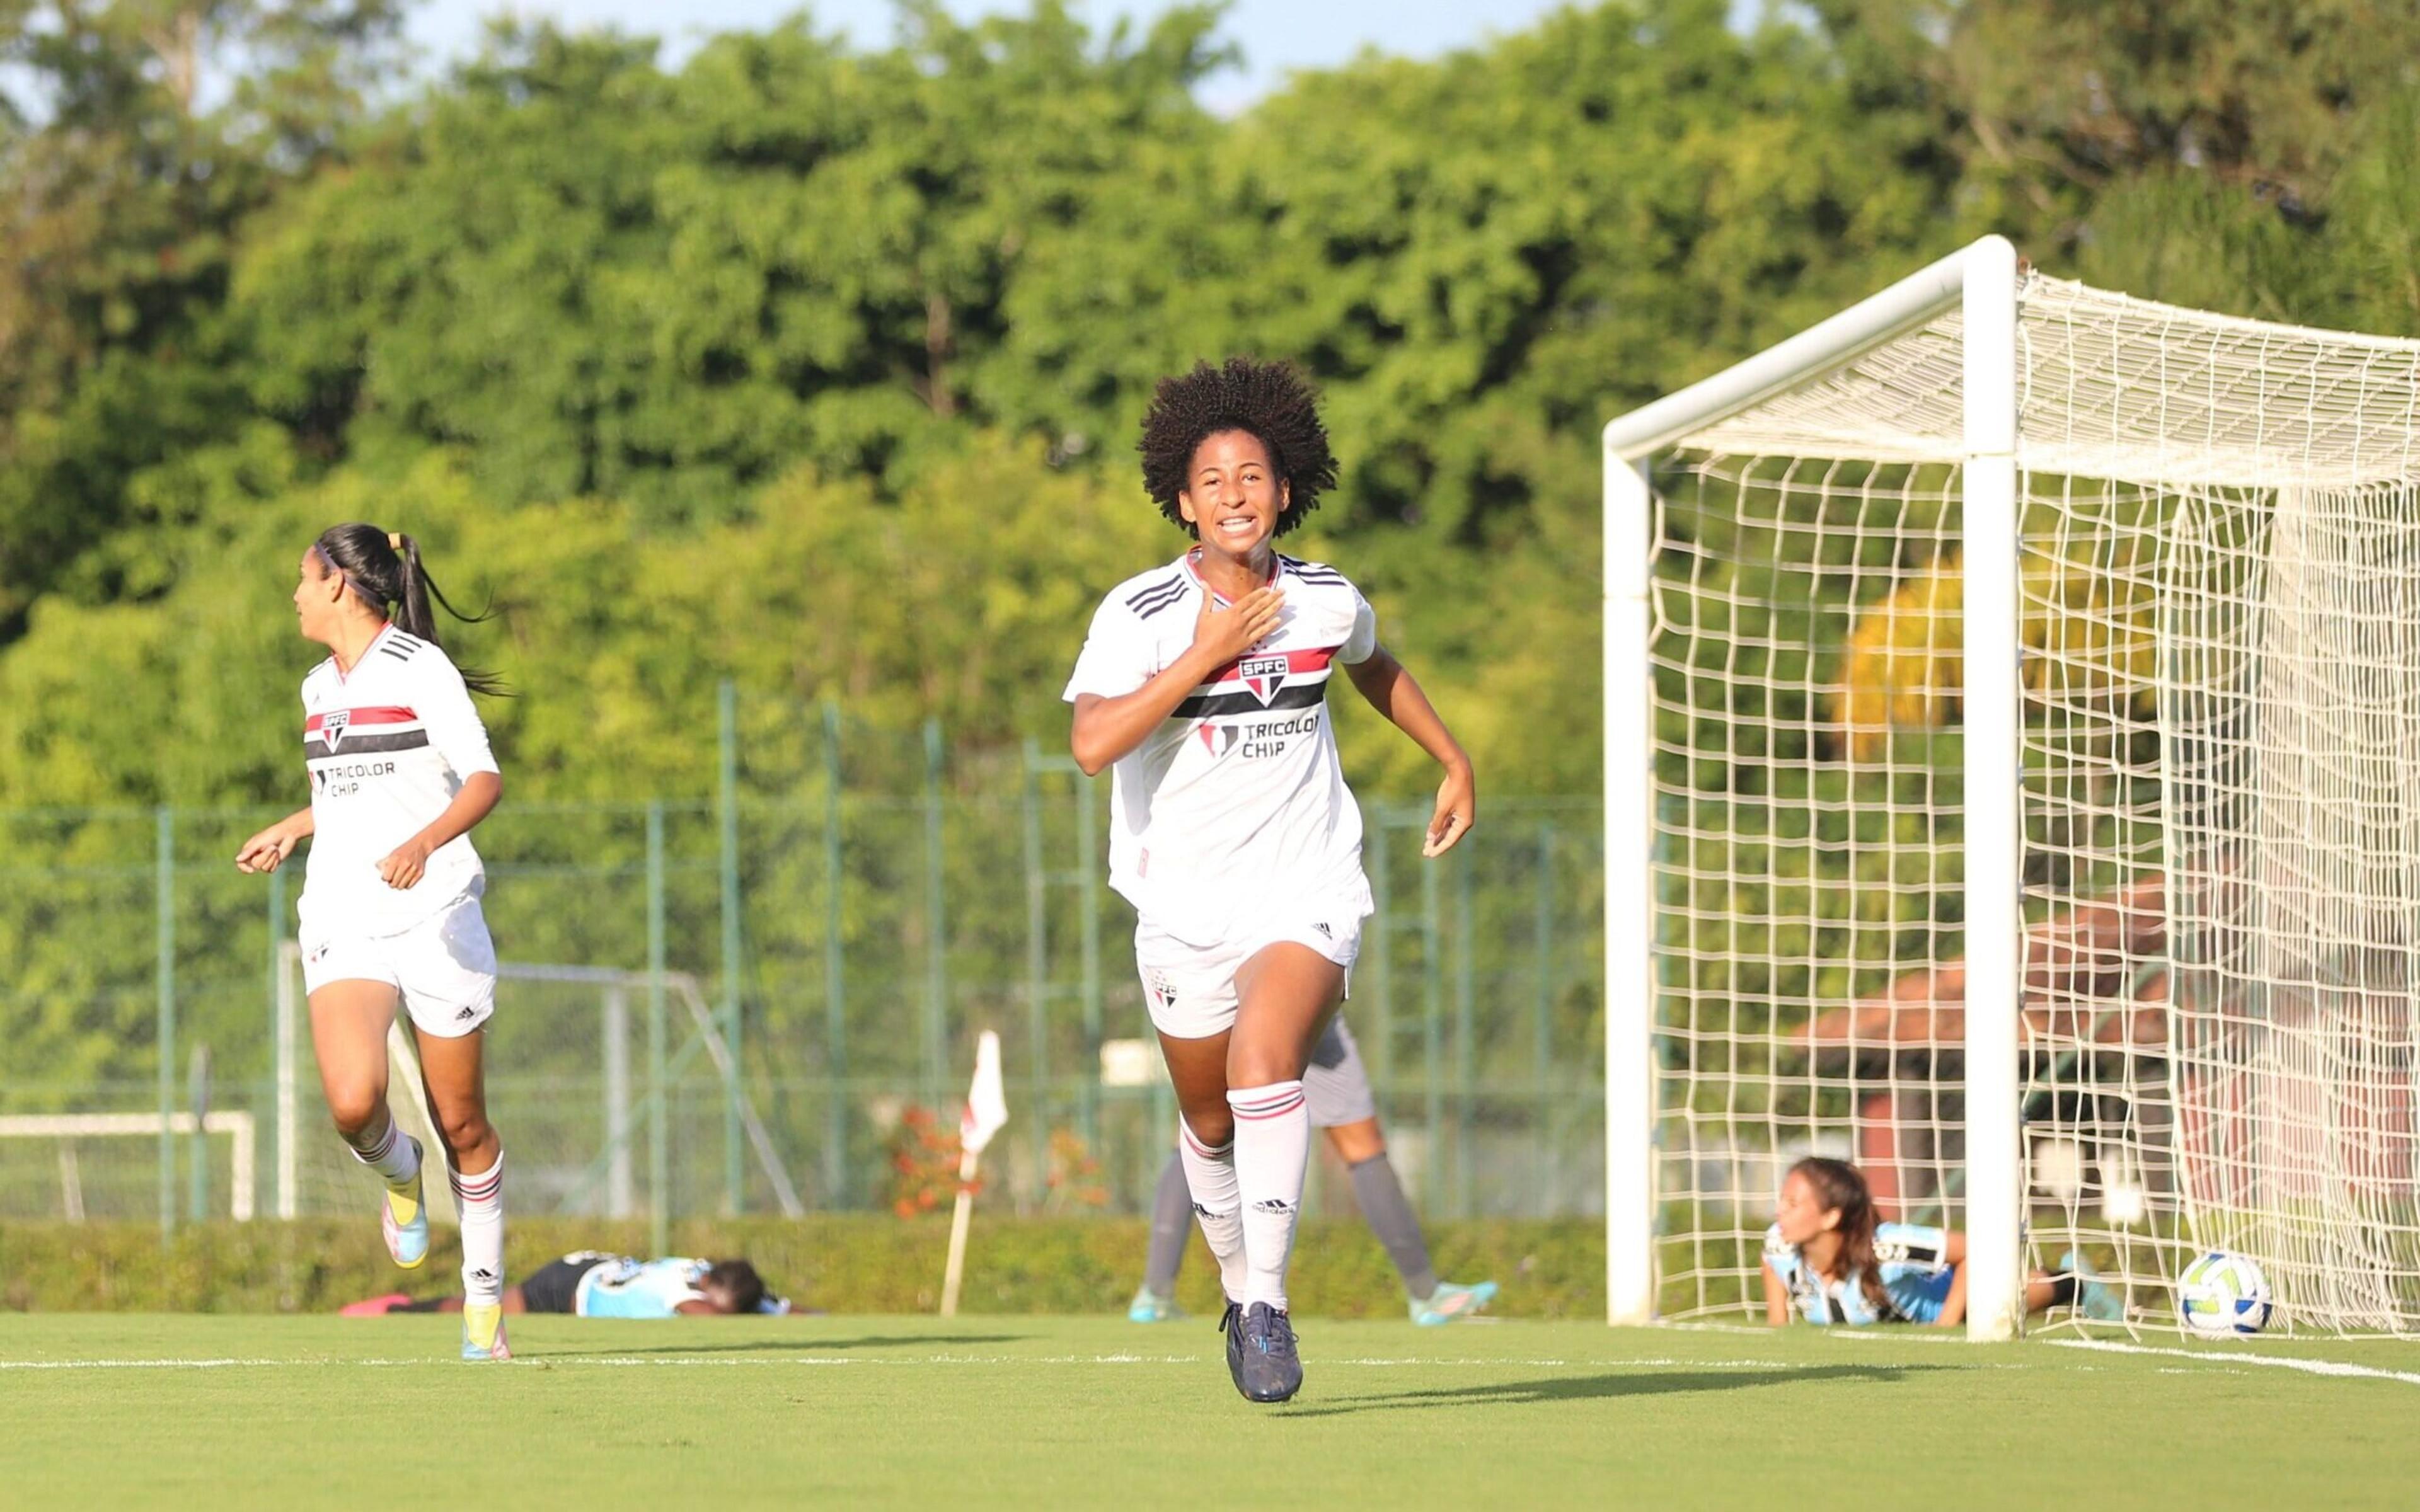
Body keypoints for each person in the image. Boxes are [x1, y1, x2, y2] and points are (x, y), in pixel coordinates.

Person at [1065, 357, 1476, 1404]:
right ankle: (1238, 1285)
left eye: (1253, 476)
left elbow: (1373, 664)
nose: (1235, 495)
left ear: (1285, 488)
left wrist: (1453, 759)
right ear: (1181, 502)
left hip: (1308, 886)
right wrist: (1201, 658)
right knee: (1207, 1124)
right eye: (1213, 482)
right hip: (1181, 903)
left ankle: (1271, 1308)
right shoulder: (1143, 612)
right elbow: (1093, 744)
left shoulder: (1327, 597)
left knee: (1264, 1065)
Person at [236, 525, 514, 1362]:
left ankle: (484, 1303)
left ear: (338, 587)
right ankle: (401, 1178)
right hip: (345, 911)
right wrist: (294, 825)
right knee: (354, 1103)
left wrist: (426, 844)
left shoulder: (421, 671)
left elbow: (484, 781)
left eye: (301, 576)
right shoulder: (317, 687)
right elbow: (350, 798)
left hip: (434, 914)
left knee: (462, 1121)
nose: (292, 594)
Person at [1127, 1015, 1497, 1327]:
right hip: (1291, 994)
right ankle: (1425, 1292)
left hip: (1221, 992)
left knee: (1204, 1132)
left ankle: (1155, 1292)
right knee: (1360, 1142)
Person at [1761, 1156, 2123, 1327]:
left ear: (1832, 1216)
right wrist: (1778, 1322)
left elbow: (1977, 1251)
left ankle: (2076, 1283)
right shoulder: (1780, 1246)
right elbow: (1769, 1260)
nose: (1780, 1210)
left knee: (2008, 1300)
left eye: (1793, 1203)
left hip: (1949, 1301)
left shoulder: (1886, 1249)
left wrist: (1946, 1326)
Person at [344, 1254, 792, 1319]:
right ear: (706, 1283)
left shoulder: (718, 1280)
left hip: (593, 1271)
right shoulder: (680, 1286)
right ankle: (397, 1309)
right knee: (481, 1308)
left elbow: (792, 1311)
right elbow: (708, 1317)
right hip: (569, 1284)